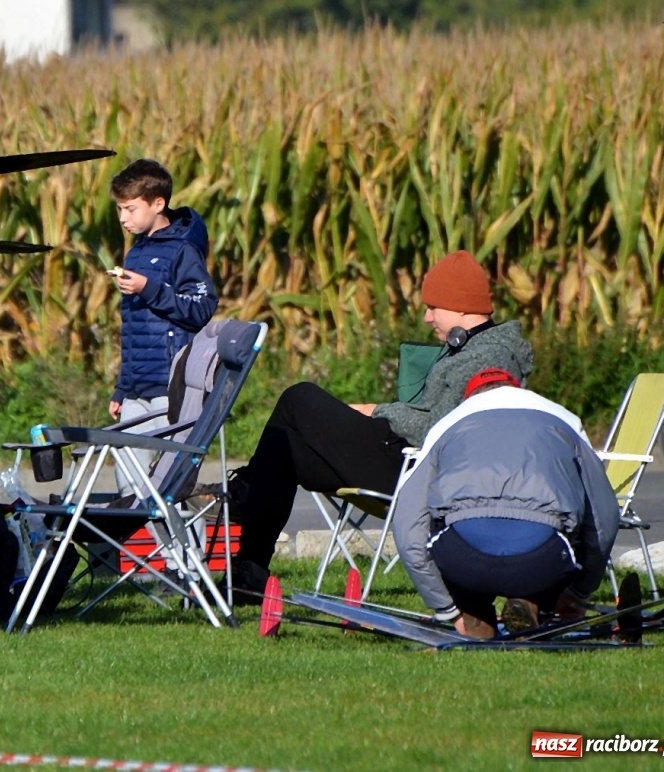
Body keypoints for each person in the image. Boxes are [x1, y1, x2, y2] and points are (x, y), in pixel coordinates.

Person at [227, 249, 534, 598]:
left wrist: (378, 410)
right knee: (284, 446)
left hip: (416, 471)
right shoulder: (471, 349)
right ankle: (250, 572)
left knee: (299, 398)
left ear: (462, 307)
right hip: (405, 459)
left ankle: (243, 495)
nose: (427, 317)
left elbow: (443, 428)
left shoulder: (488, 358)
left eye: (434, 307)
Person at [392, 370, 617, 639]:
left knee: (446, 529)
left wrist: (446, 608)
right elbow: (604, 519)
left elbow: (408, 528)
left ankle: (473, 613)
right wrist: (580, 592)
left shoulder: (447, 425)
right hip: (542, 561)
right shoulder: (564, 420)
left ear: (469, 398)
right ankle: (532, 601)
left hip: (464, 560)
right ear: (520, 390)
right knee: (561, 532)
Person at [108, 160, 217, 488]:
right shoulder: (136, 253)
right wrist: (123, 387)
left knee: (169, 483)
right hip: (137, 389)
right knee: (129, 480)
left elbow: (201, 308)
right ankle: (144, 539)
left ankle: (184, 542)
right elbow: (134, 328)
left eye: (130, 209)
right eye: (119, 210)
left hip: (172, 386)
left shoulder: (183, 250)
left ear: (158, 204)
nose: (123, 218)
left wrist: (149, 288)